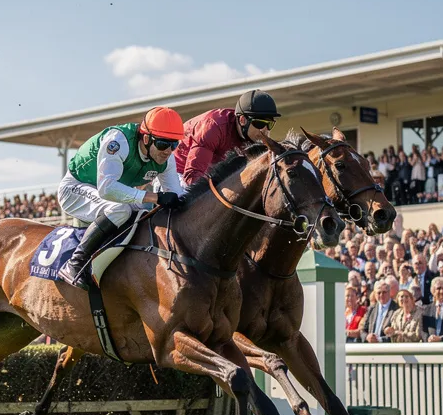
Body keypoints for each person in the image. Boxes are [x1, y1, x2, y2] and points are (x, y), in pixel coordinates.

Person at [57, 106, 186, 288]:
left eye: (174, 145)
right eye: (163, 144)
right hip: (76, 189)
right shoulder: (118, 141)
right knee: (120, 209)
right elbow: (106, 189)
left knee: (144, 213)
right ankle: (75, 263)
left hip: (113, 191)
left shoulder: (167, 160)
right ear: (147, 138)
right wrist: (154, 197)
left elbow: (176, 196)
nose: (168, 151)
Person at [173, 90, 279, 185]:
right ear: (242, 120)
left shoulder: (252, 136)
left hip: (207, 172)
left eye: (270, 124)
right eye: (259, 123)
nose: (265, 130)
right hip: (178, 171)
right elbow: (192, 178)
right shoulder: (213, 128)